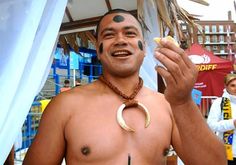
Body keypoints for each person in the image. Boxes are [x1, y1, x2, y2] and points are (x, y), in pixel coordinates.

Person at [23, 9, 226, 165]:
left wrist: (183, 102)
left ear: (144, 48)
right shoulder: (65, 105)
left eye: (129, 33)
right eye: (109, 35)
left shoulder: (168, 105)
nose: (120, 40)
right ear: (98, 49)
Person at [207, 73, 236, 165]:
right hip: (228, 153)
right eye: (232, 85)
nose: (235, 88)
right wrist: (232, 123)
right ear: (226, 86)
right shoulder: (219, 103)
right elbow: (211, 125)